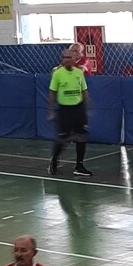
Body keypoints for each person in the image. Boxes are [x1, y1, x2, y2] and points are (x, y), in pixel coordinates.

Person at [47, 48, 91, 177]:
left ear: (74, 60)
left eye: (70, 58)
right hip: (64, 109)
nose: (68, 60)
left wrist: (87, 109)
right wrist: (51, 111)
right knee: (63, 138)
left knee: (81, 136)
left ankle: (79, 165)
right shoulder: (58, 74)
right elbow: (52, 93)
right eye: (65, 58)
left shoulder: (79, 73)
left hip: (78, 108)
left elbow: (84, 91)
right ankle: (54, 159)